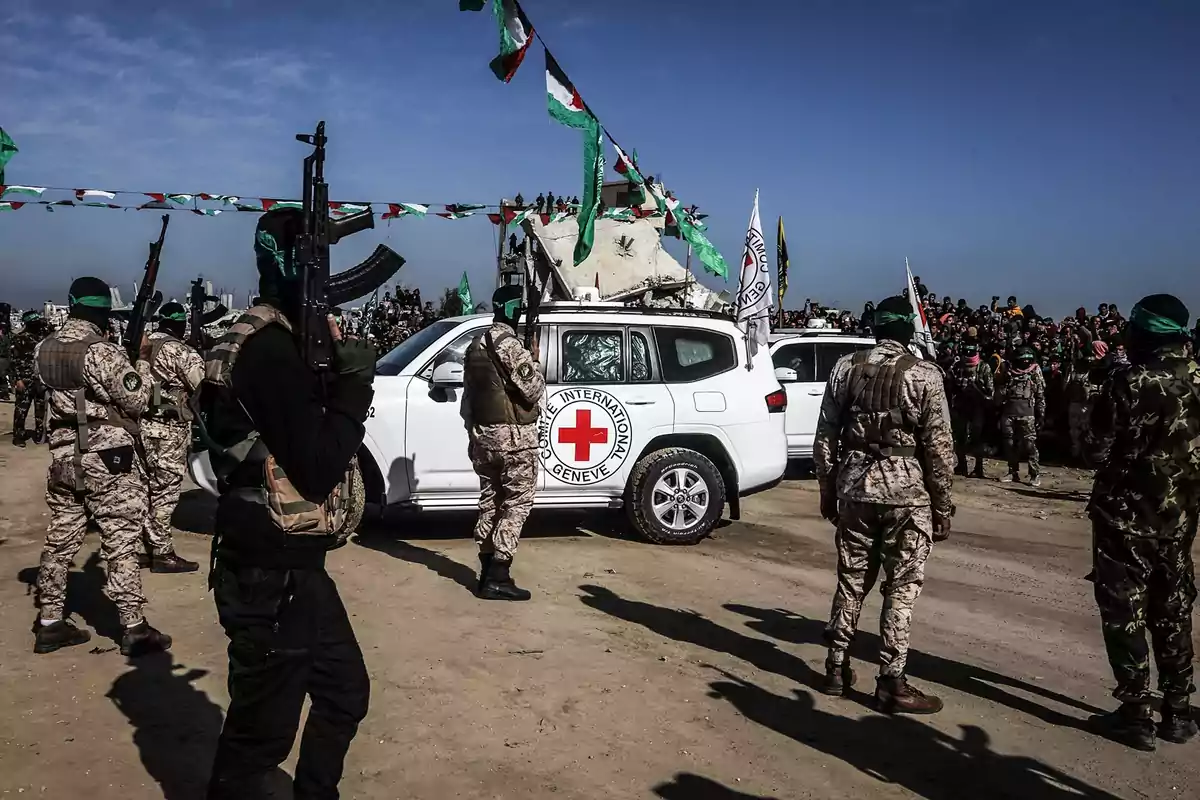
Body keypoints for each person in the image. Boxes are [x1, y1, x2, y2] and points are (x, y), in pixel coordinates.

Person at [202, 209, 375, 799]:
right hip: (267, 573)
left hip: (292, 567)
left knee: (345, 691)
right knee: (260, 739)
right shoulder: (267, 348)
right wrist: (356, 387)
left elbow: (290, 429)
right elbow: (319, 465)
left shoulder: (261, 338)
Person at [813, 295, 955, 714]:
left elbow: (825, 435)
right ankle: (892, 680)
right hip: (906, 498)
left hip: (854, 490)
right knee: (901, 588)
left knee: (851, 579)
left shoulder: (845, 367)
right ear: (908, 330)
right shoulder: (926, 375)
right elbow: (940, 450)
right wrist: (943, 508)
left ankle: (836, 667)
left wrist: (827, 488)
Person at [32, 278, 172, 656]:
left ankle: (49, 622)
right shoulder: (102, 352)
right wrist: (140, 359)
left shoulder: (43, 348)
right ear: (104, 312)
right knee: (120, 540)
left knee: (59, 541)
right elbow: (139, 401)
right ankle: (134, 627)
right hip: (108, 457)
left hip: (64, 456)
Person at [1085, 294, 1200, 752]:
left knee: (1125, 614)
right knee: (1174, 611)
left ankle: (1135, 714)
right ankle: (1177, 712)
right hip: (1182, 520)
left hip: (1125, 520)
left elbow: (1093, 444)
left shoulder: (1129, 381)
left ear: (1144, 332)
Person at [461, 284, 545, 601]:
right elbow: (532, 390)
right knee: (516, 505)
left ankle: (485, 572)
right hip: (514, 439)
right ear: (513, 309)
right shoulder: (509, 345)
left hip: (483, 438)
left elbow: (467, 402)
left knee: (489, 503)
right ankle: (499, 574)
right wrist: (534, 363)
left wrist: (476, 433)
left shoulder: (475, 345)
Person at [138, 301, 203, 573]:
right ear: (180, 324)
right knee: (165, 492)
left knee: (144, 489)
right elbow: (203, 384)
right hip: (169, 431)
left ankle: (144, 548)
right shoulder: (180, 351)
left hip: (141, 427)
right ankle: (162, 554)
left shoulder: (140, 345)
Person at [996, 347, 1045, 486]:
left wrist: (1041, 415)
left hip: (1027, 411)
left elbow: (1040, 394)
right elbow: (1000, 391)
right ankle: (1012, 472)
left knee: (1029, 444)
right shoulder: (1008, 370)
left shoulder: (1035, 370)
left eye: (1027, 358)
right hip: (1009, 410)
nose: (1024, 361)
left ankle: (1035, 474)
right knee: (1009, 443)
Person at [949, 341, 993, 478]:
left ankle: (978, 467)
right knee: (959, 437)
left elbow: (990, 392)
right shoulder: (958, 366)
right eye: (965, 352)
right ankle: (962, 464)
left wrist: (977, 387)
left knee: (977, 438)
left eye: (970, 352)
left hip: (977, 407)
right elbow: (951, 385)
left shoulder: (983, 367)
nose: (968, 355)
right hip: (962, 406)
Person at [10, 309, 49, 446]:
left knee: (40, 409)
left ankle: (39, 434)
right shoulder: (20, 338)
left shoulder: (44, 336)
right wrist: (17, 380)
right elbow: (13, 361)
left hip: (40, 379)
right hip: (25, 379)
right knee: (22, 409)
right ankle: (18, 436)